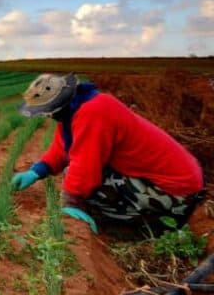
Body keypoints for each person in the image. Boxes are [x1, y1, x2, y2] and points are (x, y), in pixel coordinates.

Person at [12, 73, 205, 234]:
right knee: (80, 178)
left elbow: (84, 166)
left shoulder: (93, 113)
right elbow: (62, 149)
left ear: (59, 105)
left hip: (176, 190)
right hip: (171, 179)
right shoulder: (78, 108)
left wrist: (71, 203)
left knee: (84, 181)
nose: (47, 116)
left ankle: (148, 226)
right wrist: (36, 171)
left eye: (47, 111)